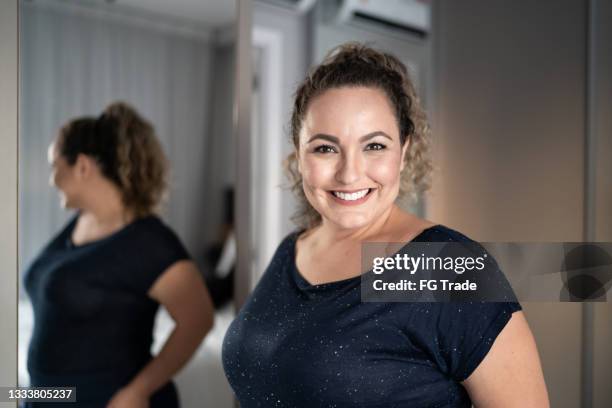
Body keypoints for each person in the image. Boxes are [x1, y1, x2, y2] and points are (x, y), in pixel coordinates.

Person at [222, 43, 549, 407]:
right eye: (325, 148)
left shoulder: (445, 265)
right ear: (299, 156)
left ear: (404, 151)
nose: (349, 173)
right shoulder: (291, 249)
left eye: (374, 146)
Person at [23, 102, 215, 408]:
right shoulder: (78, 223)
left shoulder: (150, 242)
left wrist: (138, 392)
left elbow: (199, 320)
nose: (51, 179)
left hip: (106, 399)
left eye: (54, 166)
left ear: (82, 166)